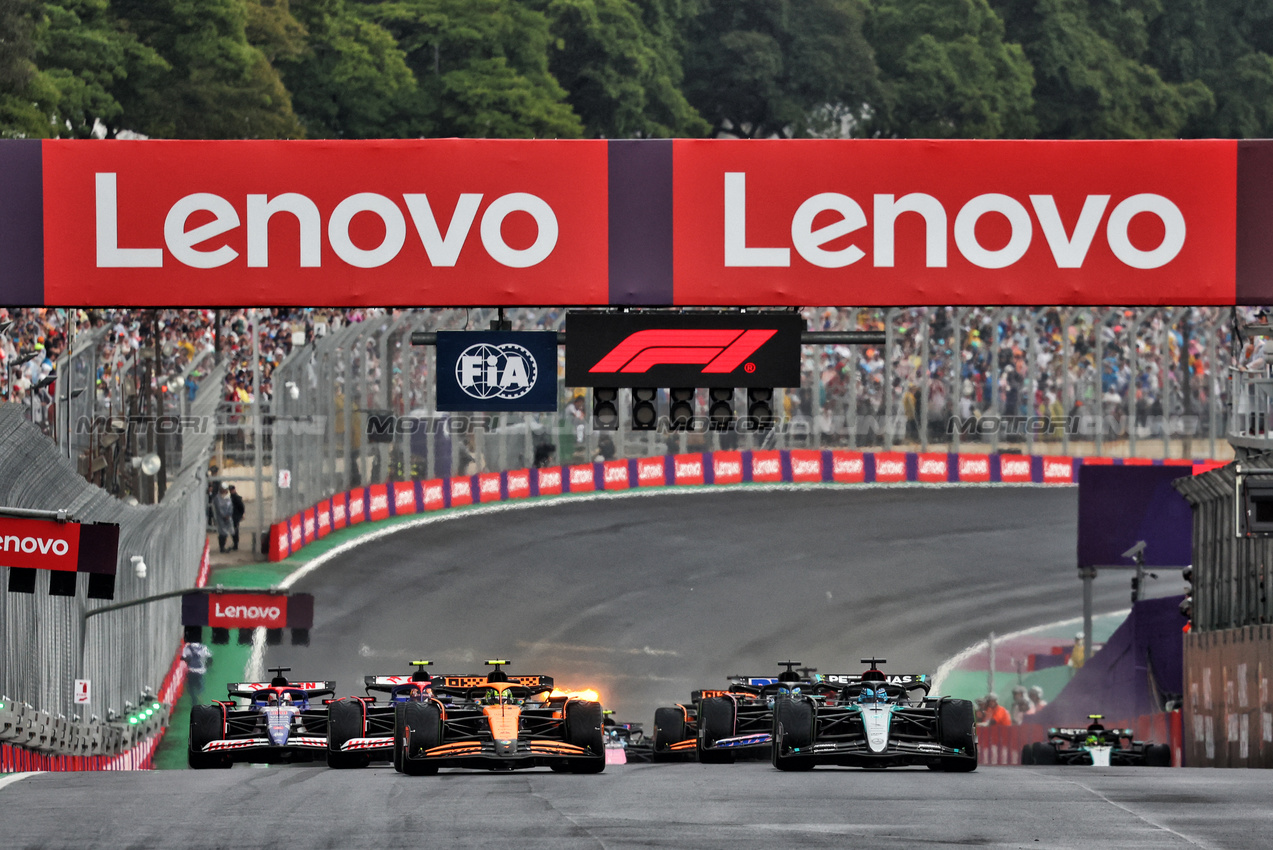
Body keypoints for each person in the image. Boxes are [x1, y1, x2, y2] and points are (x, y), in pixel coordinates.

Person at [212, 483, 234, 552]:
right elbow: (219, 509)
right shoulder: (217, 498)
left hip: (228, 517)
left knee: (229, 531)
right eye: (223, 490)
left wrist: (228, 515)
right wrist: (224, 516)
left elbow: (230, 507)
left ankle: (229, 545)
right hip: (221, 518)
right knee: (222, 533)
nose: (225, 491)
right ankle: (222, 547)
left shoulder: (227, 497)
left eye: (225, 490)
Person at [228, 485, 245, 551]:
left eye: (232, 490)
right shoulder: (232, 497)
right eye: (230, 490)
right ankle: (235, 543)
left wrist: (240, 514)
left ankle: (235, 544)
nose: (231, 491)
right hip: (233, 516)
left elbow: (241, 507)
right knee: (233, 530)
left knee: (235, 530)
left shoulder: (236, 498)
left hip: (235, 516)